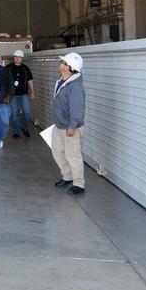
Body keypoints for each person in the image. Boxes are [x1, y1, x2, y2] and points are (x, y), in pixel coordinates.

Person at [51, 51, 86, 195]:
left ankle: (79, 183)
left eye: (63, 62)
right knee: (57, 152)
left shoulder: (75, 86)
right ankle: (67, 176)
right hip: (59, 125)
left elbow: (77, 109)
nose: (60, 63)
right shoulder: (62, 80)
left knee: (73, 155)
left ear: (69, 67)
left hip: (70, 127)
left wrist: (72, 126)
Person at [6, 49, 34, 138]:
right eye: (16, 57)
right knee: (14, 114)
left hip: (24, 94)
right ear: (14, 58)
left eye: (20, 57)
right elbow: (3, 81)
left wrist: (32, 92)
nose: (18, 59)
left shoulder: (25, 69)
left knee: (27, 111)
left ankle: (24, 127)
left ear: (22, 59)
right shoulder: (8, 68)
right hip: (12, 95)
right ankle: (16, 131)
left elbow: (30, 80)